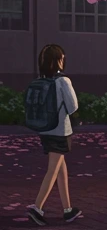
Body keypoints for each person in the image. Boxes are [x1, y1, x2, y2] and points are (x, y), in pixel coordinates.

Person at [26, 44, 83, 225]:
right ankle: (37, 207)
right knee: (53, 170)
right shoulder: (62, 81)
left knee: (60, 169)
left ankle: (68, 209)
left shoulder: (41, 81)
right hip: (60, 131)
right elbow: (73, 106)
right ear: (58, 60)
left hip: (45, 129)